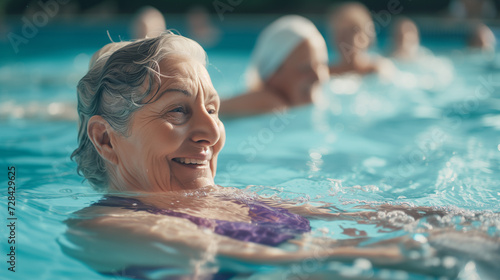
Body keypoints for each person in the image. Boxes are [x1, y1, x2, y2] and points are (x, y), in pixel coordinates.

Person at [61, 33, 491, 279]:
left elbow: (356, 214)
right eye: (178, 110)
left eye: (213, 109)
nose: (211, 131)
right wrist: (441, 254)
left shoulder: (223, 198)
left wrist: (455, 222)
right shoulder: (105, 226)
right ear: (106, 139)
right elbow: (282, 257)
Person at [220, 15, 329, 117]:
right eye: (305, 68)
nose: (318, 76)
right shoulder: (271, 105)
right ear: (272, 74)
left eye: (321, 65)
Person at [327, 2, 395, 77]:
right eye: (339, 34)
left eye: (349, 34)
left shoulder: (377, 68)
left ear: (364, 39)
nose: (343, 40)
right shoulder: (329, 72)